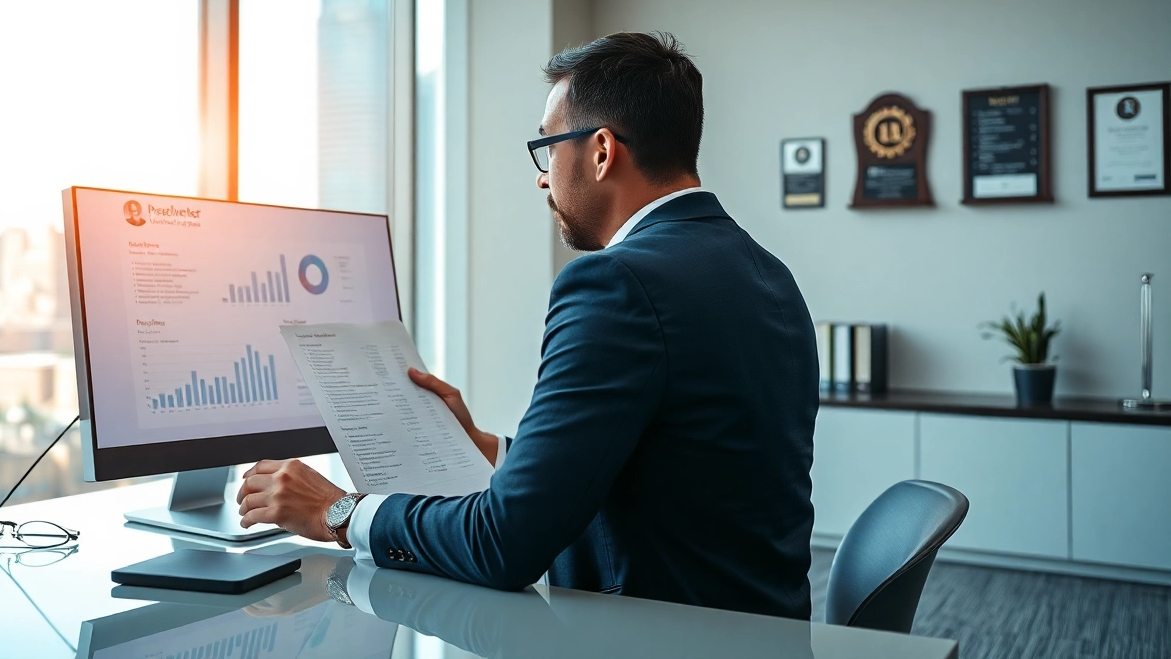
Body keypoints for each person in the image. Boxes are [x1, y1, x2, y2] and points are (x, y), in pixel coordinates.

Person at [237, 32, 818, 618]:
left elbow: (503, 543)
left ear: (600, 151)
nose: (543, 177)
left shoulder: (615, 283)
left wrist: (339, 512)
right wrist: (491, 451)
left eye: (549, 148)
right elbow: (682, 468)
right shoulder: (768, 274)